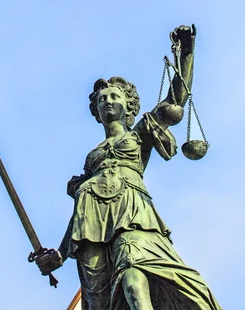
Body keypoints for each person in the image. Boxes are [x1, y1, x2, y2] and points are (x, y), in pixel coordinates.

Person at [36, 26, 222, 310]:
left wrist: (186, 53)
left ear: (129, 105)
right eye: (102, 99)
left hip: (134, 217)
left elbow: (176, 100)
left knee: (134, 278)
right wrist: (60, 255)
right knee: (97, 301)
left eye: (114, 97)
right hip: (91, 229)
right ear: (96, 112)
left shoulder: (139, 135)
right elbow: (80, 211)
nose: (108, 102)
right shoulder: (92, 159)